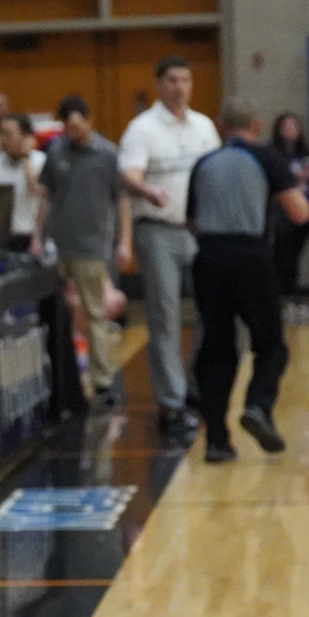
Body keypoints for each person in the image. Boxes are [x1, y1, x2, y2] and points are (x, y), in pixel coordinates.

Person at [185, 97, 309, 463]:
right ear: (257, 127)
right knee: (272, 344)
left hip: (208, 258)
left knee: (217, 349)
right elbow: (300, 213)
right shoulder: (267, 158)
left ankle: (217, 442)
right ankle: (257, 406)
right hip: (252, 257)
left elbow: (190, 221)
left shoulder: (203, 163)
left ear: (222, 126)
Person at [119, 55, 222, 436]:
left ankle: (194, 385)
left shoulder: (204, 127)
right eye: (172, 80)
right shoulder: (142, 129)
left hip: (197, 230)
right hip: (157, 230)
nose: (180, 87)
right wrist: (146, 188)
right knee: (165, 317)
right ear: (160, 84)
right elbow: (128, 174)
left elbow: (215, 171)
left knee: (213, 311)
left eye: (186, 79)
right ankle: (171, 402)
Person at [33, 96, 128, 406]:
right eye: (67, 127)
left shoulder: (108, 154)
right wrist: (37, 235)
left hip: (91, 246)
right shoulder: (56, 151)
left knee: (95, 313)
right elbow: (46, 197)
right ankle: (62, 379)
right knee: (58, 315)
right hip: (57, 245)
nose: (72, 132)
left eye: (77, 125)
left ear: (88, 121)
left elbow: (122, 200)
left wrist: (124, 241)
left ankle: (102, 381)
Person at [0, 114, 45, 252]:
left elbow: (39, 192)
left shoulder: (41, 162)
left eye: (8, 134)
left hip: (32, 237)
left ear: (26, 136)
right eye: (1, 134)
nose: (3, 140)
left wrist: (25, 157)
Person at [269, 111, 309, 297]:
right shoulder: (273, 153)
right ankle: (280, 296)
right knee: (281, 256)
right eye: (286, 127)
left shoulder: (305, 153)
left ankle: (291, 295)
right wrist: (293, 178)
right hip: (281, 214)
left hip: (304, 210)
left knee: (295, 256)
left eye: (294, 126)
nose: (290, 130)